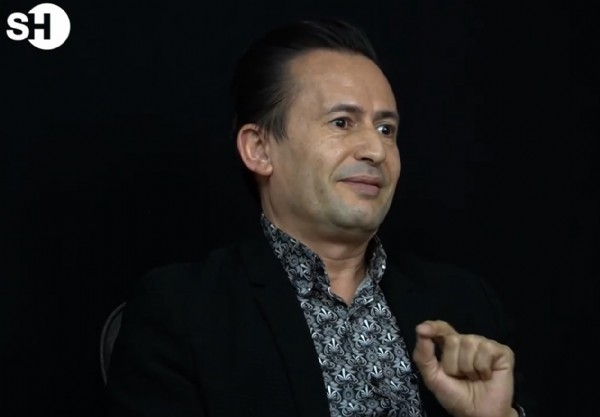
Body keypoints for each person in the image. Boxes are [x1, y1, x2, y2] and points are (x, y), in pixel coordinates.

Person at [107, 18, 536, 417]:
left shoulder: (464, 302)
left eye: (386, 129)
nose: (375, 150)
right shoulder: (184, 312)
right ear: (260, 149)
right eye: (342, 122)